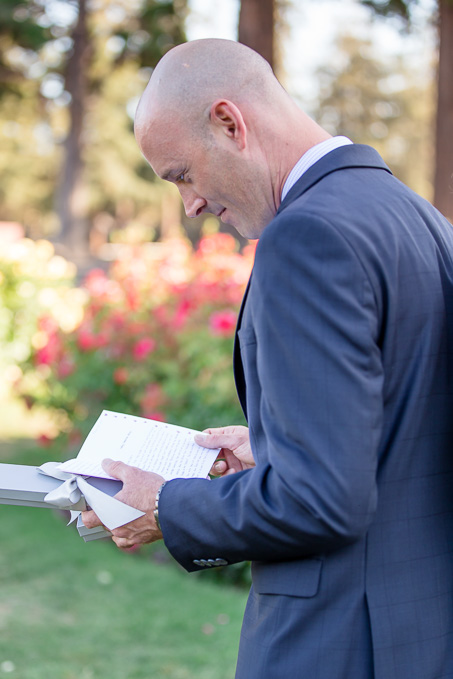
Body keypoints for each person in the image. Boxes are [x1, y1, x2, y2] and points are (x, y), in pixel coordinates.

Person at [82, 38, 453, 679]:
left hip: (339, 642)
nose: (191, 205)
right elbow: (413, 426)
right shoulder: (418, 219)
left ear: (230, 123)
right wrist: (275, 445)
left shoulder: (307, 238)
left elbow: (322, 502)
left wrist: (168, 507)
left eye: (182, 175)